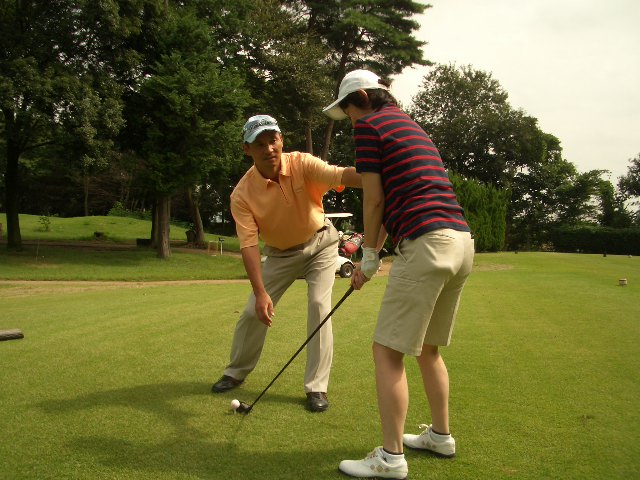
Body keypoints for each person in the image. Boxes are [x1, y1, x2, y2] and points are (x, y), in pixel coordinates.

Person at [323, 70, 474, 477]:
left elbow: (372, 200)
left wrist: (369, 254)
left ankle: (390, 459)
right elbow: (392, 199)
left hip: (427, 242)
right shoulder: (410, 126)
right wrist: (371, 260)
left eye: (349, 112)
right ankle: (440, 437)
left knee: (387, 351)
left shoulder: (370, 126)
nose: (350, 121)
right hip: (460, 242)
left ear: (362, 99)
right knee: (427, 348)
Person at [211, 114, 361, 412]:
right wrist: (261, 293)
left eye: (273, 140)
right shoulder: (241, 194)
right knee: (253, 311)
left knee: (320, 306)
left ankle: (317, 388)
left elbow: (341, 175)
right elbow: (249, 245)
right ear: (247, 150)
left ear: (281, 141)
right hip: (280, 253)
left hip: (321, 243)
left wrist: (379, 175)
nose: (269, 149)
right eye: (260, 144)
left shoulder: (302, 163)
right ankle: (236, 372)